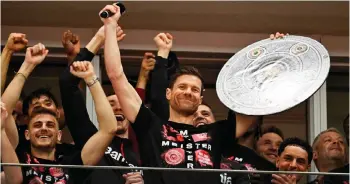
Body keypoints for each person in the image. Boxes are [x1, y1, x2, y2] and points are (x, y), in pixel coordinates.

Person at [101, 4, 255, 184]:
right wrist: (110, 26)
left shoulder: (216, 132)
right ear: (168, 93)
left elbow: (260, 105)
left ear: (201, 99)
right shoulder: (151, 126)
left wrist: (277, 55)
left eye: (195, 89)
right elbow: (116, 76)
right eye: (182, 87)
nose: (188, 92)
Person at [59, 26, 144, 184]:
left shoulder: (145, 149)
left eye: (122, 105)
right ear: (102, 111)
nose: (118, 108)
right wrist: (98, 39)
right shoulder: (91, 139)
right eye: (111, 103)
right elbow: (67, 84)